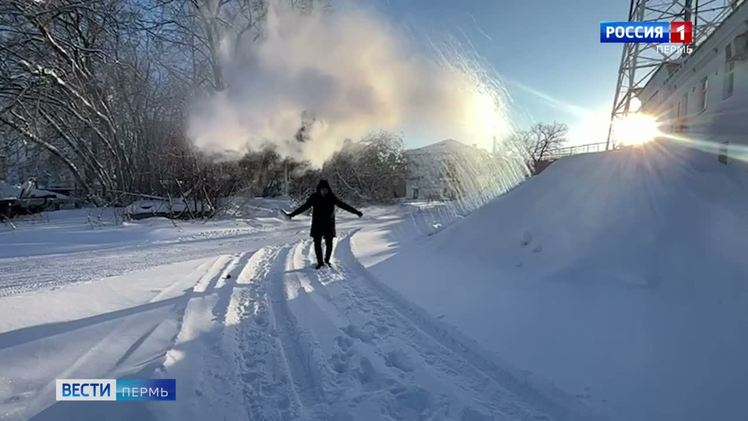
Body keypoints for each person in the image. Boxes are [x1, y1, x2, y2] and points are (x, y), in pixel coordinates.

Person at [286, 180, 363, 269]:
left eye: (326, 189)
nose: (324, 191)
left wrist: (356, 212)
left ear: (328, 189)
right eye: (322, 189)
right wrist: (292, 214)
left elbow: (343, 205)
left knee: (329, 243)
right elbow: (304, 207)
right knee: (317, 243)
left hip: (328, 224)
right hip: (317, 224)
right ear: (319, 189)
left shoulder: (331, 197)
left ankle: (327, 261)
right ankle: (320, 262)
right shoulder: (314, 197)